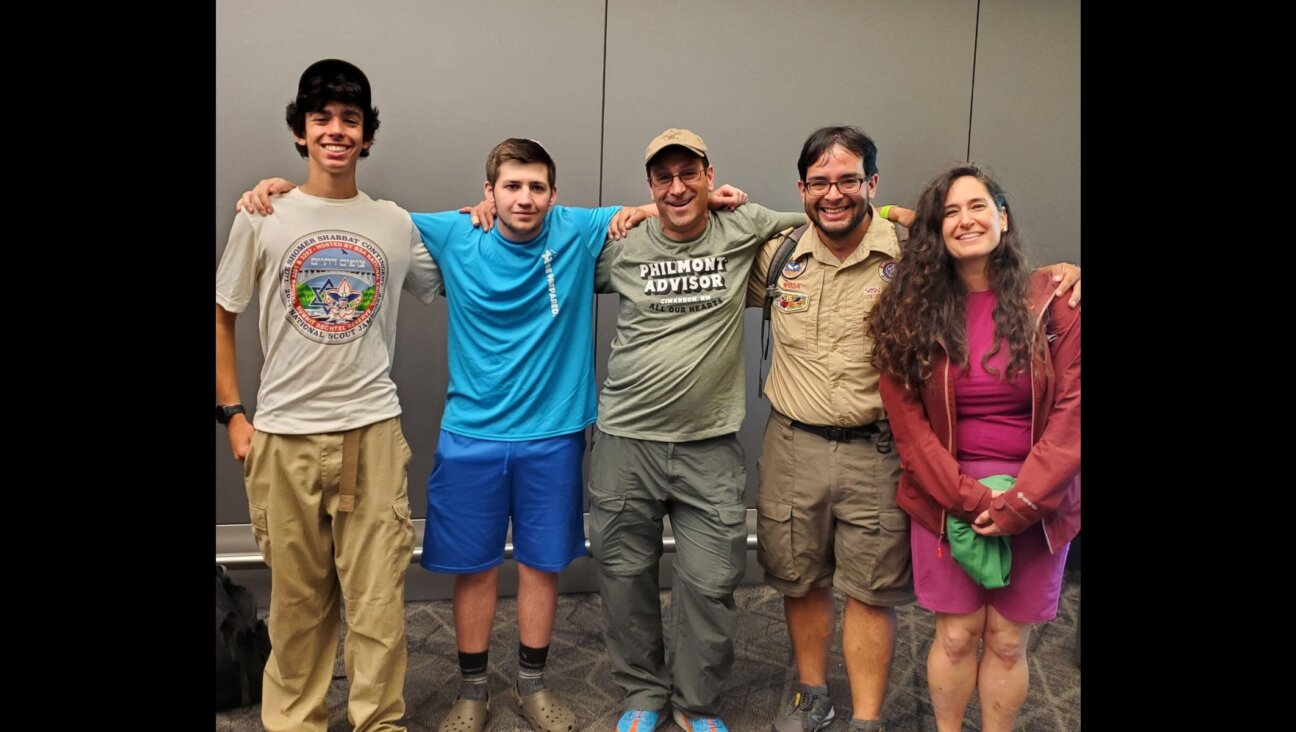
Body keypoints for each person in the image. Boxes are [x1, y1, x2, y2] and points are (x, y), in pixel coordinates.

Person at [235, 138, 746, 732]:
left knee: (540, 565)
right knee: (474, 568)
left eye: (536, 187)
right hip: (470, 434)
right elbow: (356, 213)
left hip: (553, 435)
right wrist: (281, 192)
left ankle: (533, 685)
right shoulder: (453, 232)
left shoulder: (579, 228)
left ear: (554, 195)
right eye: (511, 186)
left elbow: (659, 207)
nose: (524, 199)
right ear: (488, 194)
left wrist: (715, 197)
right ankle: (472, 690)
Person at [747, 128, 1080, 732]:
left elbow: (1069, 412)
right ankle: (812, 693)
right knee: (807, 579)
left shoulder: (940, 268)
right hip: (825, 450)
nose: (834, 193)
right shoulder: (790, 259)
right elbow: (703, 243)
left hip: (909, 460)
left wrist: (1023, 500)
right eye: (819, 182)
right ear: (800, 189)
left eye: (849, 180)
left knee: (896, 597)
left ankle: (868, 719)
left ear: (872, 185)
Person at [215, 59, 443, 732]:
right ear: (300, 131)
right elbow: (222, 314)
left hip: (370, 433)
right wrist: (232, 415)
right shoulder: (262, 216)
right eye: (322, 119)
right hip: (282, 437)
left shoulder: (395, 223)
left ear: (367, 135)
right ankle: (295, 722)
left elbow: (465, 260)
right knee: (296, 604)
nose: (336, 131)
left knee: (376, 603)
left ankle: (379, 721)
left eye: (350, 119)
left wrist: (487, 207)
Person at [588, 128, 809, 732]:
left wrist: (895, 210)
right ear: (650, 186)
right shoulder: (624, 243)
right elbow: (540, 240)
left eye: (690, 174)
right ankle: (642, 693)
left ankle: (695, 702)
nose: (678, 187)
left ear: (711, 175)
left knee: (712, 581)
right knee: (624, 574)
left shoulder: (743, 224)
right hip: (625, 438)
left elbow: (824, 211)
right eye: (664, 178)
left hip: (708, 444)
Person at [871, 164, 1080, 732]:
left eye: (978, 205)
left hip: (1041, 498)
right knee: (958, 636)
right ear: (935, 231)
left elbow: (1072, 418)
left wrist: (1023, 502)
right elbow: (909, 428)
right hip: (945, 496)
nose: (966, 220)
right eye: (951, 212)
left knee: (1009, 643)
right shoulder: (907, 313)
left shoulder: (1056, 303)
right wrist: (967, 499)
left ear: (1002, 216)